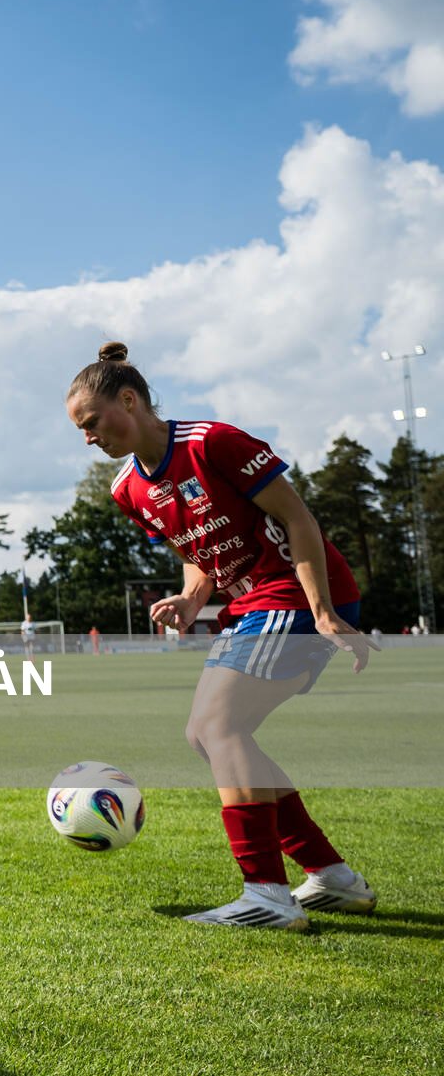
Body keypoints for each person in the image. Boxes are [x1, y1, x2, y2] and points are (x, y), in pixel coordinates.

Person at [67, 341, 375, 931]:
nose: (88, 438)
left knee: (217, 727)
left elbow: (299, 520)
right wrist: (189, 598)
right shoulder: (129, 488)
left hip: (297, 593)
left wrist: (326, 612)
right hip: (253, 605)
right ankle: (330, 876)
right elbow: (197, 550)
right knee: (210, 735)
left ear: (128, 401)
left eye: (91, 422)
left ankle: (266, 893)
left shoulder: (213, 443)